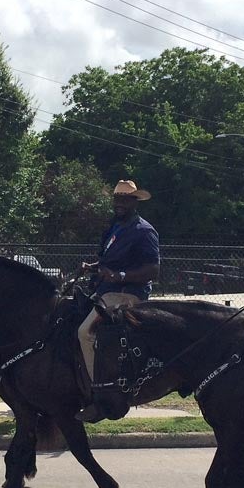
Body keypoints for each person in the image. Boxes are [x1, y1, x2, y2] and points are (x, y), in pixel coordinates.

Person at [77, 179, 161, 422]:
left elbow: (153, 270)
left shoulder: (143, 231)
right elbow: (109, 263)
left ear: (135, 202)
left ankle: (99, 393)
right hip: (107, 291)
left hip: (129, 294)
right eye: (117, 198)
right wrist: (94, 267)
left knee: (85, 332)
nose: (120, 203)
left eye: (125, 199)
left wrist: (119, 276)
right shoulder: (115, 227)